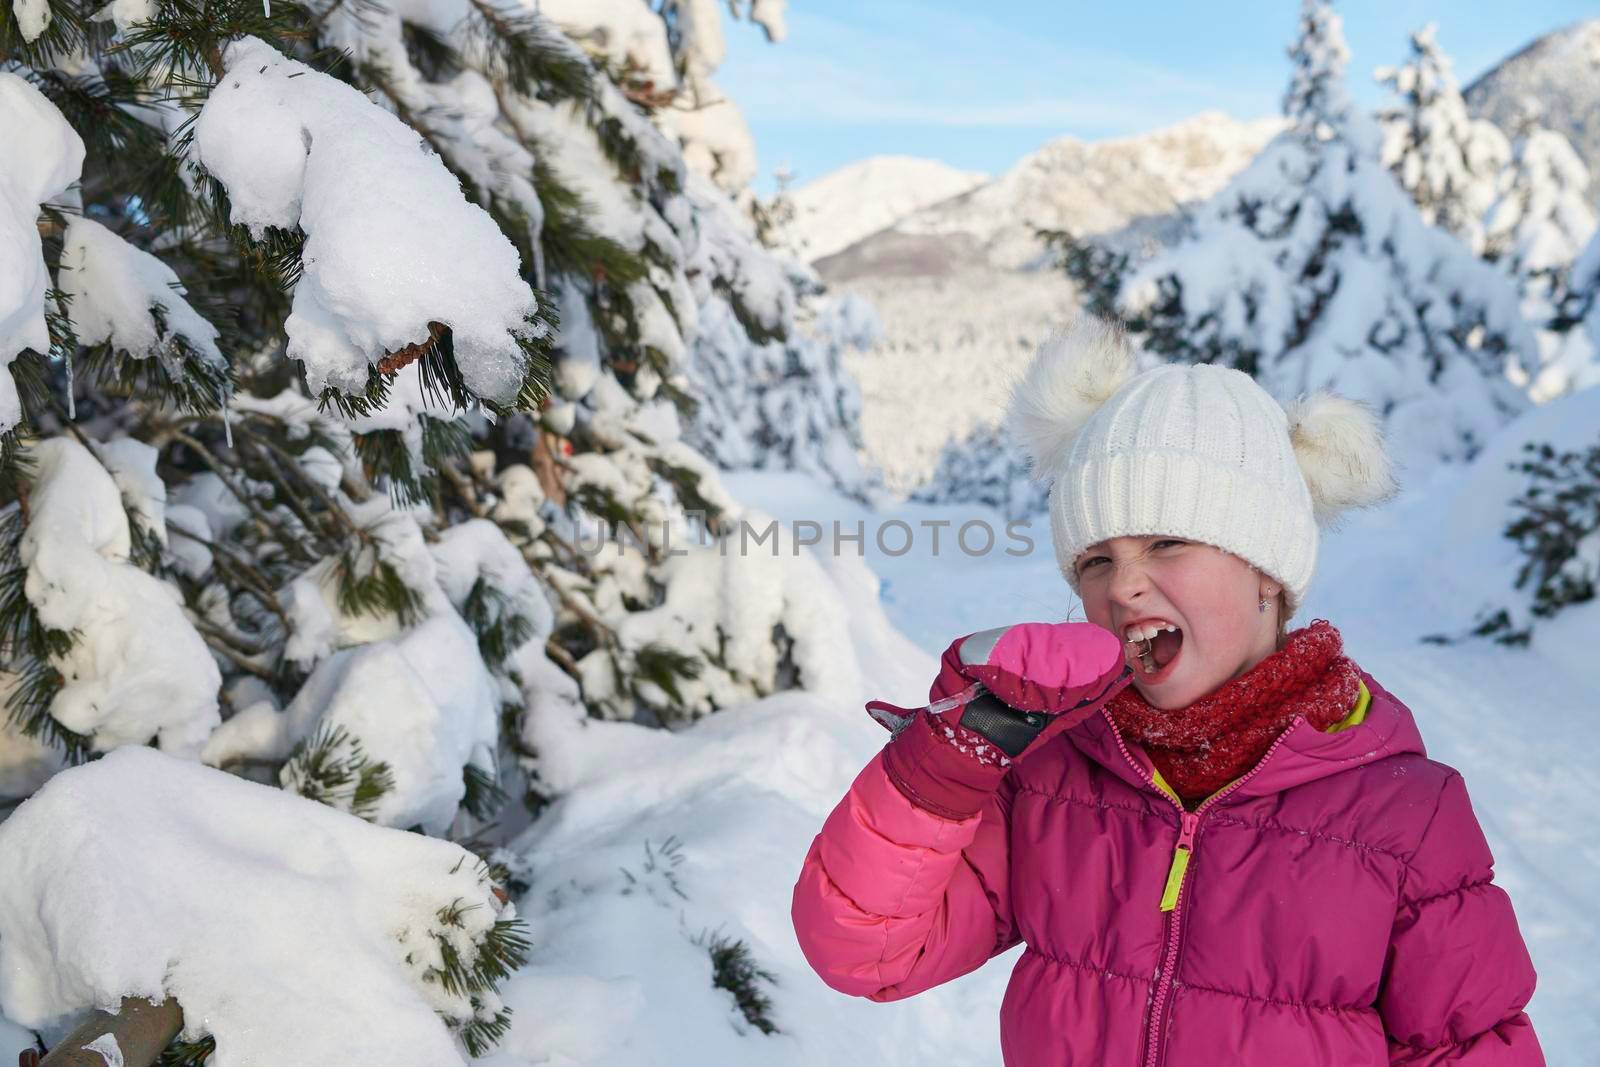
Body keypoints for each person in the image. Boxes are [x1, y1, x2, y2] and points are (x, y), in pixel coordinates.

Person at [790, 317, 1543, 1065]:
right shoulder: (1053, 775)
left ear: (1267, 573)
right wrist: (946, 764)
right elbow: (867, 948)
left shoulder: (1406, 817)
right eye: (1094, 560)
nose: (1124, 584)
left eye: (1166, 543)